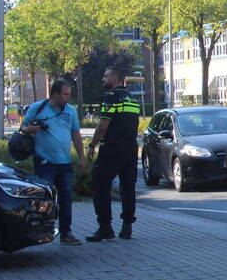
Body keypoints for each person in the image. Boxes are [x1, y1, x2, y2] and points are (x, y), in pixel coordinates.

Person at [21, 80, 87, 245]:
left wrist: (81, 157)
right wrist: (31, 129)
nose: (67, 97)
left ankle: (66, 233)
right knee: (46, 199)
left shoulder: (70, 111)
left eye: (68, 94)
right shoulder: (38, 108)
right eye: (65, 94)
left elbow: (76, 135)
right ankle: (43, 231)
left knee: (66, 198)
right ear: (55, 94)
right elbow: (23, 127)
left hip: (64, 163)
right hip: (44, 162)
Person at [87, 66, 140, 241]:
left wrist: (92, 145)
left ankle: (105, 226)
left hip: (112, 149)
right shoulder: (132, 99)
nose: (103, 79)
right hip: (131, 149)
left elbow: (103, 125)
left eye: (106, 76)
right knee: (128, 187)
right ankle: (127, 227)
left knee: (100, 184)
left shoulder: (111, 97)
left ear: (116, 79)